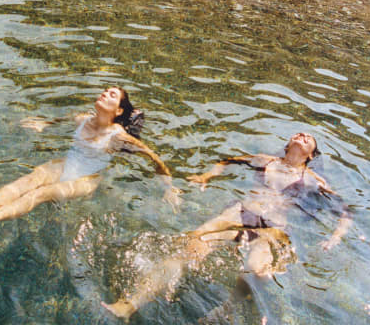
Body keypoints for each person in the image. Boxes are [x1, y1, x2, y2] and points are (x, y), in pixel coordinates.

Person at [103, 132, 352, 320]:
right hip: (241, 212)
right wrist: (207, 176)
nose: (302, 136)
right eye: (298, 134)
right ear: (288, 144)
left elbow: (345, 211)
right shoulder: (265, 160)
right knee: (189, 247)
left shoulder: (312, 179)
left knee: (256, 270)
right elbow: (227, 161)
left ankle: (225, 312)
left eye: (308, 138)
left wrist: (336, 237)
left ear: (310, 154)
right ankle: (130, 304)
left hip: (272, 227)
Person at [0, 87, 180, 236]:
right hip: (67, 163)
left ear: (118, 111)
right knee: (27, 181)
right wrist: (44, 123)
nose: (105, 93)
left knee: (40, 193)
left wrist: (169, 187)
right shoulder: (82, 119)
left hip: (88, 177)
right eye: (105, 90)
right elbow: (62, 119)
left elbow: (154, 157)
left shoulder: (118, 135)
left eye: (112, 94)